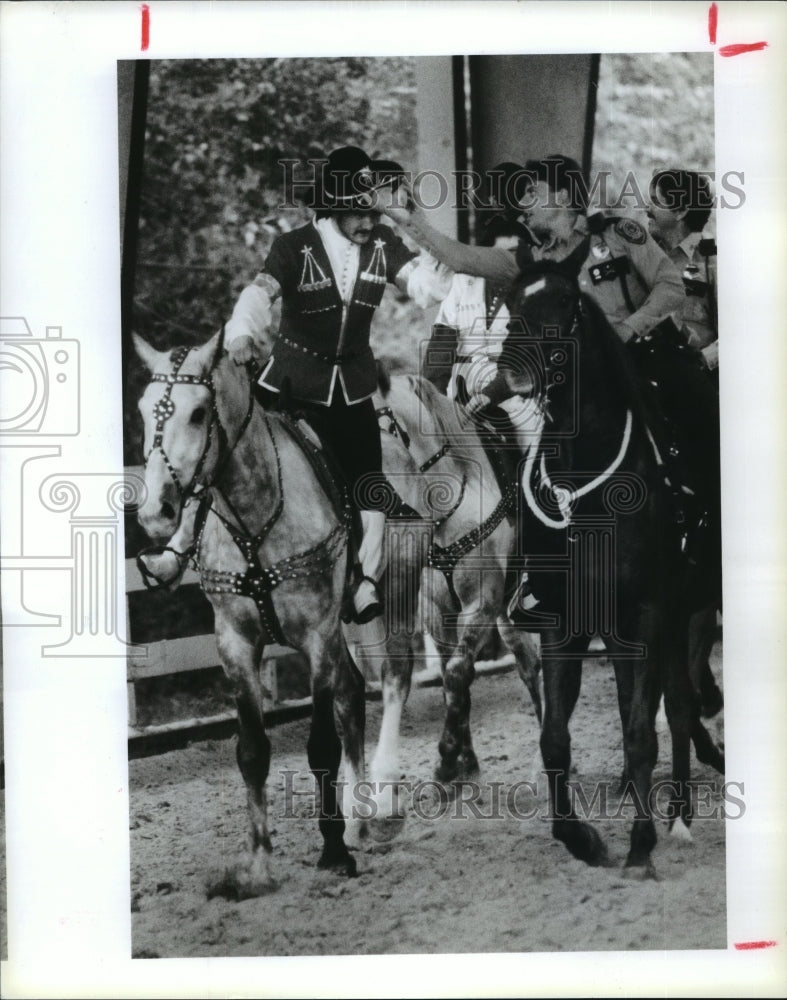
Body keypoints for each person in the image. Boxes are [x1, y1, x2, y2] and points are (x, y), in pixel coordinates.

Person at [146, 145, 453, 623]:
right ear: (333, 205)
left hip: (350, 388)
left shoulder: (385, 244)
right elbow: (257, 293)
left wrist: (416, 227)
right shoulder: (293, 247)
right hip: (287, 381)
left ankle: (366, 582)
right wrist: (243, 331)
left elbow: (429, 289)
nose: (368, 220)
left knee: (370, 486)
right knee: (224, 455)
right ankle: (177, 550)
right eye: (359, 211)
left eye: (374, 210)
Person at [646, 168, 718, 375]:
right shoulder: (645, 259)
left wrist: (700, 363)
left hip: (697, 389)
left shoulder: (713, 262)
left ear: (681, 211)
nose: (646, 208)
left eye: (655, 201)